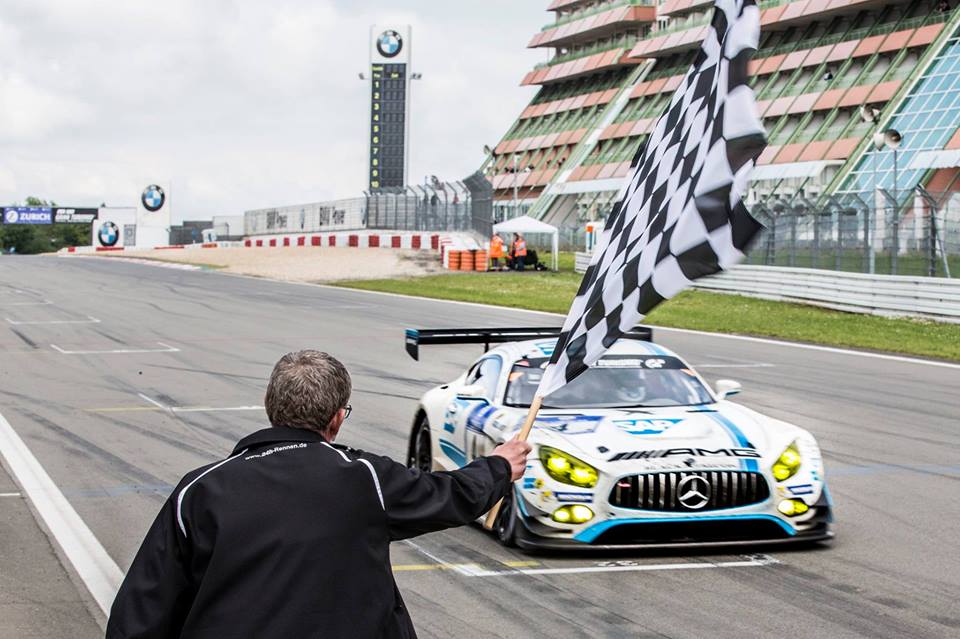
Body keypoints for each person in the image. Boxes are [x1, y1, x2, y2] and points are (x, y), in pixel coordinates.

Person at [106, 350, 531, 638]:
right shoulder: (364, 478)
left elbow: (142, 611)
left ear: (270, 405)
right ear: (336, 419)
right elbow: (452, 495)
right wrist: (499, 465)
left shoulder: (198, 491)